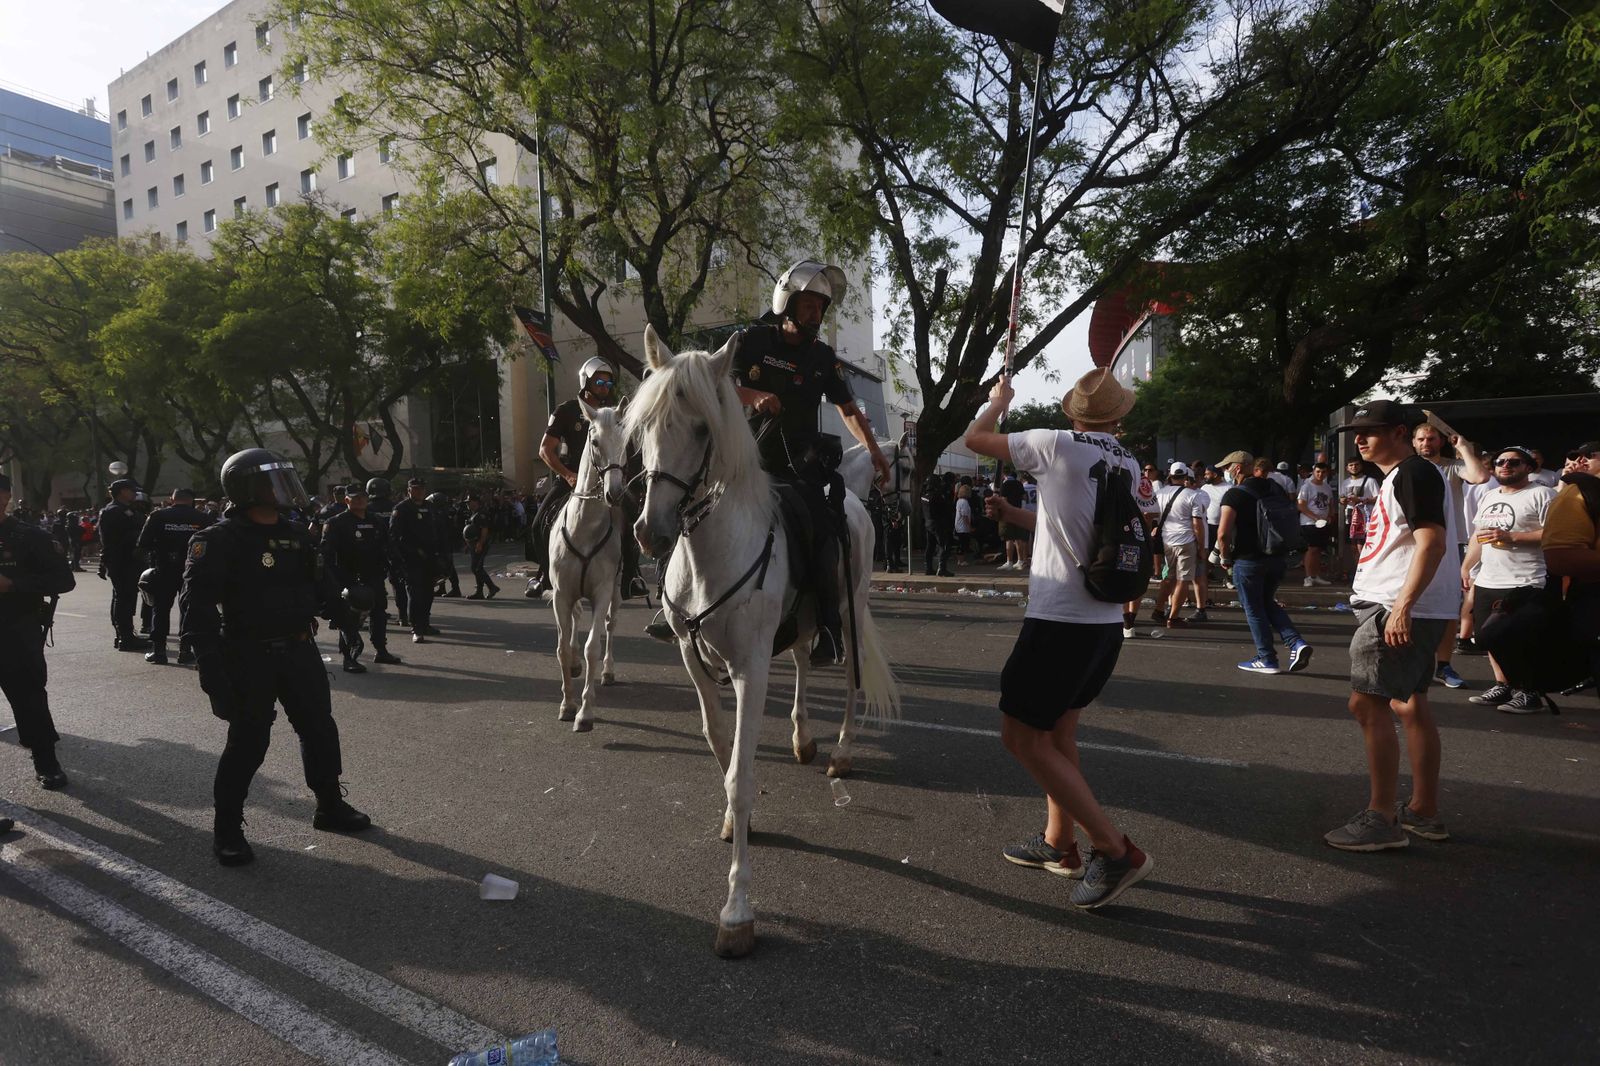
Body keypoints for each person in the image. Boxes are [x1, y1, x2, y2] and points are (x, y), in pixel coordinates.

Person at [965, 368, 1157, 909]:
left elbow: (974, 441)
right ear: (1117, 416)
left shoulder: (1055, 443)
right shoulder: (1123, 458)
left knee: (1022, 738)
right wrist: (1015, 515)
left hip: (1060, 623)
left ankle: (1114, 849)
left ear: (1074, 411)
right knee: (1058, 736)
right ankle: (1059, 843)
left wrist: (996, 401)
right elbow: (1073, 526)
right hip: (1103, 622)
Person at [180, 449, 372, 866]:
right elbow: (196, 611)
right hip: (248, 656)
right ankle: (227, 827)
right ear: (247, 488)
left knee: (319, 730)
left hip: (300, 650)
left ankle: (329, 806)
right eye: (273, 482)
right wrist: (211, 671)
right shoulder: (217, 540)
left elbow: (322, 584)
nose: (284, 489)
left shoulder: (298, 534)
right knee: (248, 744)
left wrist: (349, 612)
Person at [730, 259, 891, 664]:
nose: (816, 314)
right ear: (788, 303)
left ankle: (829, 630)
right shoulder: (752, 340)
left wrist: (874, 451)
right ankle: (674, 605)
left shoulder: (823, 356)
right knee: (689, 503)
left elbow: (849, 410)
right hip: (743, 460)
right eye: (809, 305)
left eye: (821, 307)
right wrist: (753, 397)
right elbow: (720, 385)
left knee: (825, 529)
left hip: (796, 465)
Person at [1326, 401, 1455, 851]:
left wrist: (1402, 605)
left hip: (1396, 606)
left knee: (1367, 705)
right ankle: (1423, 811)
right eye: (1356, 433)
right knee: (1409, 705)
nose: (1360, 440)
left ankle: (1381, 817)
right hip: (1410, 605)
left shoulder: (1412, 472)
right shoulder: (1404, 476)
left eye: (1371, 431)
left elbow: (1432, 542)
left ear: (1400, 432)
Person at [527, 358, 649, 602]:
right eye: (599, 381)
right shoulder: (566, 410)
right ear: (586, 381)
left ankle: (631, 578)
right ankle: (545, 575)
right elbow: (545, 450)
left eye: (608, 381)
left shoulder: (616, 413)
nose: (605, 385)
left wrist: (636, 484)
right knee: (539, 523)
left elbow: (629, 450)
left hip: (610, 478)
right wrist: (567, 474)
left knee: (632, 520)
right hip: (573, 479)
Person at [1462, 447, 1555, 712]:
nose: (1505, 466)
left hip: (1525, 579)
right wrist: (1467, 566)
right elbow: (1480, 534)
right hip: (1488, 578)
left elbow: (1554, 533)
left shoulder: (1541, 494)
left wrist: (1512, 537)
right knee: (1485, 636)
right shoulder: (1490, 495)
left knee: (1514, 636)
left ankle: (1529, 691)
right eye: (1500, 461)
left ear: (1528, 467)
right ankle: (1503, 685)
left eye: (1514, 462)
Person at [0, 472, 76, 790]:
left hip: (14, 630)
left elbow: (64, 580)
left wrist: (14, 585)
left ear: (4, 496)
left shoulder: (27, 536)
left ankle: (46, 761)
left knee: (30, 698)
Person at [1216, 454, 1312, 674]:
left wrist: (1224, 558)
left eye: (1228, 468)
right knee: (1268, 602)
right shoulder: (1274, 488)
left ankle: (1266, 658)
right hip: (1276, 556)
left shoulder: (1234, 494)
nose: (1226, 472)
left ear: (1238, 468)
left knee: (1254, 609)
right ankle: (1296, 642)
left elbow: (1223, 533)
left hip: (1248, 559)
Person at [1412, 421, 1490, 689]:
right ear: (1413, 442)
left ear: (1441, 441)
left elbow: (1480, 476)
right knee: (1410, 603)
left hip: (1451, 544)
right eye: (1421, 439)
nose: (1426, 444)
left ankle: (1443, 666)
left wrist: (1465, 449)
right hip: (1413, 544)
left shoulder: (1453, 466)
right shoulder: (1408, 469)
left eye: (1432, 439)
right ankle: (1415, 662)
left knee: (1448, 609)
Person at [321, 484, 404, 672]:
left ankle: (381, 649)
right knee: (349, 617)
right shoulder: (336, 522)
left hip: (373, 574)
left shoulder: (376, 521)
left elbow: (388, 546)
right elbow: (326, 553)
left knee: (379, 612)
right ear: (347, 500)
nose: (359, 500)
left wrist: (396, 565)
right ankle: (349, 657)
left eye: (362, 497)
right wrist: (332, 581)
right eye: (355, 497)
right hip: (347, 577)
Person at [134, 488, 214, 665]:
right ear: (192, 500)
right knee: (188, 609)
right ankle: (185, 650)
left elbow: (143, 543)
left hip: (164, 568)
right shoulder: (203, 518)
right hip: (192, 569)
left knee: (160, 609)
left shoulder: (157, 516)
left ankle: (159, 651)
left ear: (172, 499)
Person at [1152, 462, 1207, 628]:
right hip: (1186, 541)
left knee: (1169, 577)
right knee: (1183, 579)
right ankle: (1173, 617)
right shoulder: (1192, 495)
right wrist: (1202, 546)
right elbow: (1197, 524)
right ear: (1185, 477)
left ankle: (1159, 610)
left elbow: (1154, 516)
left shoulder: (1160, 493)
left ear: (1170, 475)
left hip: (1167, 540)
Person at [98, 478, 148, 651]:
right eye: (131, 490)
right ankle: (125, 637)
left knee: (124, 597)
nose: (135, 493)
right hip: (122, 560)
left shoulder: (125, 510)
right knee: (124, 598)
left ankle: (124, 635)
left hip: (127, 560)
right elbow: (113, 539)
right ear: (122, 492)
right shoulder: (113, 511)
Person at [390, 477, 441, 643]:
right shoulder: (402, 509)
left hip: (430, 558)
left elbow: (440, 532)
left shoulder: (430, 507)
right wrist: (406, 555)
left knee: (428, 593)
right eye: (415, 489)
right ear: (409, 490)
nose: (419, 491)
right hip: (411, 558)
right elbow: (395, 537)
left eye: (421, 488)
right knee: (415, 593)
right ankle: (416, 628)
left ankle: (425, 623)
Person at [1339, 458, 1379, 584]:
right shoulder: (1345, 482)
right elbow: (1341, 498)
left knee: (1363, 546)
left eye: (1356, 465)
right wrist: (1343, 501)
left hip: (1365, 516)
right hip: (1350, 516)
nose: (1354, 467)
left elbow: (1378, 497)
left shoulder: (1370, 481)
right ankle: (1357, 572)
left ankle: (1366, 574)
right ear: (1347, 468)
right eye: (1351, 465)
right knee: (1352, 547)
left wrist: (1361, 499)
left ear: (1361, 466)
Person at [1296, 462, 1336, 587]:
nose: (1320, 474)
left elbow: (1330, 504)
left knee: (1319, 550)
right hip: (1309, 522)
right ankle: (1308, 577)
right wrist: (1315, 517)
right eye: (1318, 472)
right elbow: (1301, 505)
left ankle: (1315, 575)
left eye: (1323, 472)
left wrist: (1330, 516)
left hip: (1323, 522)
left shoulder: (1327, 487)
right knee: (1312, 549)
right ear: (1313, 472)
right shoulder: (1306, 486)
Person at [426, 491, 463, 598]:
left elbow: (437, 530)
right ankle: (442, 588)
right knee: (441, 566)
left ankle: (455, 589)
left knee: (447, 566)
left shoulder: (440, 514)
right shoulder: (446, 512)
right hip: (445, 542)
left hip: (443, 543)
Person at [463, 494, 501, 599]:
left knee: (477, 568)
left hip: (480, 544)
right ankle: (479, 591)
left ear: (475, 502)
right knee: (476, 568)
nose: (467, 504)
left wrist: (480, 543)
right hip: (473, 544)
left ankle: (492, 587)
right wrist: (467, 545)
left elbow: (484, 530)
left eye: (469, 502)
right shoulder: (473, 514)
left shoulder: (481, 514)